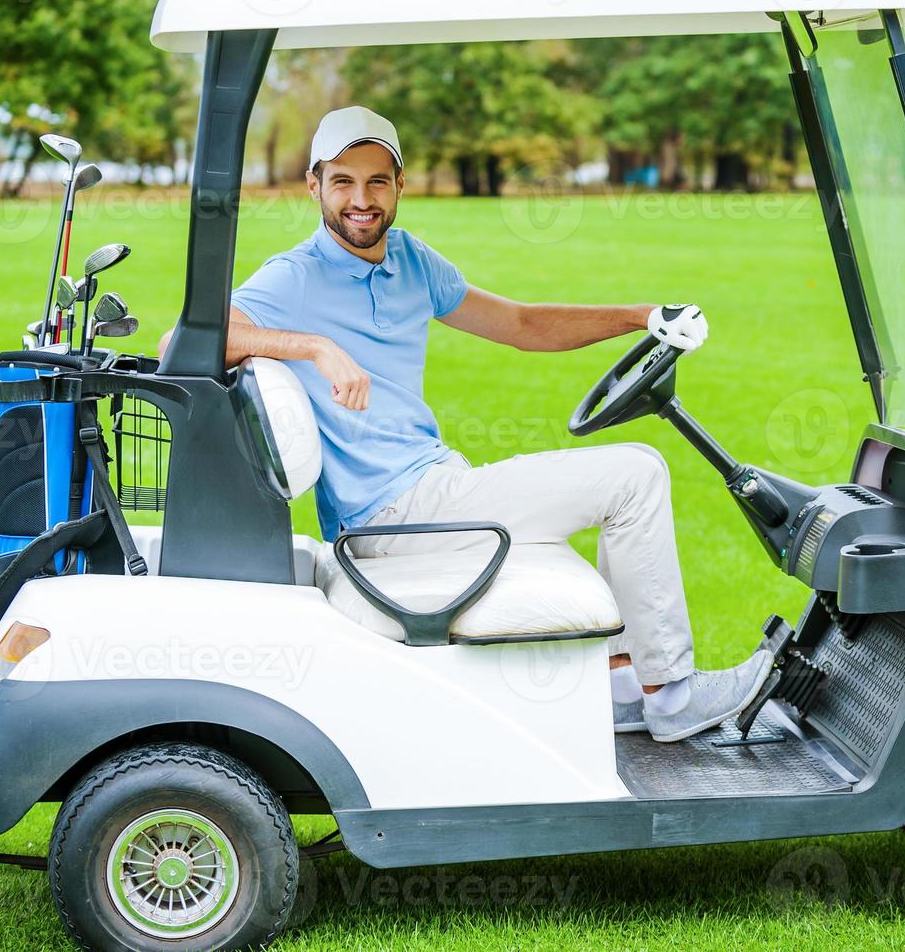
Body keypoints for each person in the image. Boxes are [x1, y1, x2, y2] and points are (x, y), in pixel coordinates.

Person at [176, 106, 771, 742]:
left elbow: (520, 325)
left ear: (400, 186)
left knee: (593, 507)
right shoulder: (295, 277)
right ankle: (673, 696)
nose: (360, 200)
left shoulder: (410, 260)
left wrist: (640, 315)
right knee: (636, 475)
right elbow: (180, 342)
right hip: (391, 516)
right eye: (343, 181)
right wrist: (317, 348)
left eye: (377, 181)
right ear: (314, 184)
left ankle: (623, 690)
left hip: (434, 492)